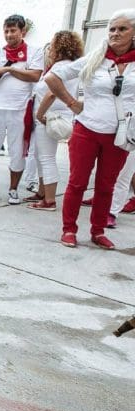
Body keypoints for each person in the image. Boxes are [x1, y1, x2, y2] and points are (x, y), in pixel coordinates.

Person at [45, 8, 135, 249]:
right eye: (112, 29)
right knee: (77, 182)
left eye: (122, 29)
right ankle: (69, 229)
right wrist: (72, 103)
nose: (115, 33)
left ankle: (98, 231)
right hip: (87, 129)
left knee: (107, 185)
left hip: (119, 135)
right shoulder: (96, 58)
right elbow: (52, 77)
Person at [0, 15, 43, 205]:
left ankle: (13, 190)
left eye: (13, 30)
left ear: (23, 32)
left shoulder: (35, 51)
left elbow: (35, 76)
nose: (9, 34)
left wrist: (8, 70)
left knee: (17, 152)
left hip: (19, 110)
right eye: (6, 31)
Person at [26, 31, 84, 211]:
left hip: (49, 117)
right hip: (55, 115)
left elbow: (51, 93)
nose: (49, 49)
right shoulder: (71, 66)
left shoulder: (60, 68)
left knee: (46, 158)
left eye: (52, 45)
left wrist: (39, 114)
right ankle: (42, 192)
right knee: (42, 156)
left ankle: (49, 199)